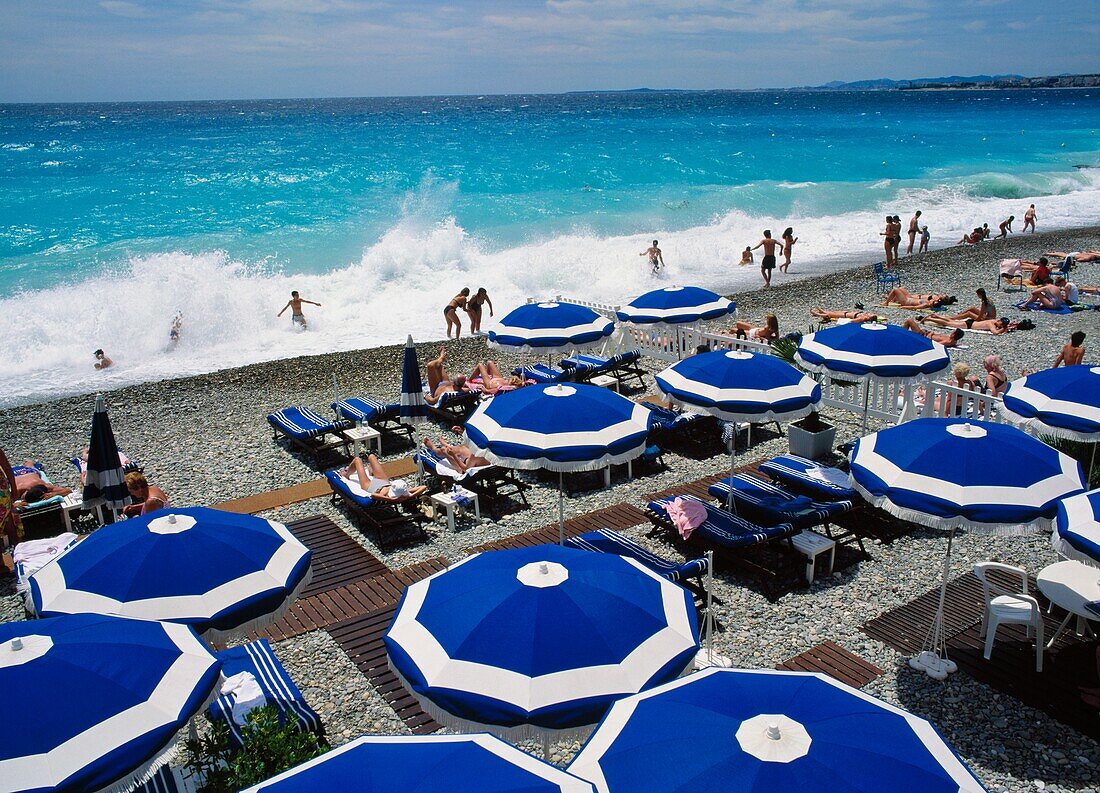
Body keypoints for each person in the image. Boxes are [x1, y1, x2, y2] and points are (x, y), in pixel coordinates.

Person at [337, 454, 426, 503]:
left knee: (357, 460)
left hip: (370, 486)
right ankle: (371, 471)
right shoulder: (404, 493)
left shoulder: (393, 496)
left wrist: (390, 499)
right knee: (371, 456)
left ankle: (346, 475)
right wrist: (411, 496)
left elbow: (373, 495)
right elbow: (423, 487)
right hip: (384, 482)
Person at [424, 437, 492, 474]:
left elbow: (464, 469)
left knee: (444, 450)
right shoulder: (488, 450)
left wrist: (453, 455)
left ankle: (434, 449)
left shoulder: (474, 455)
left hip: (461, 469)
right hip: (473, 461)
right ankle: (447, 445)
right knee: (462, 447)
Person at [919, 314, 1009, 335]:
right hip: (969, 325)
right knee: (948, 323)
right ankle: (930, 318)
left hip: (971, 322)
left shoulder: (994, 320)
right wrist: (1003, 329)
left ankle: (936, 316)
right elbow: (995, 333)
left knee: (950, 321)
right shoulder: (991, 324)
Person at [881, 286, 953, 309]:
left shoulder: (926, 304)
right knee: (901, 288)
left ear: (932, 304)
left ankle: (886, 303)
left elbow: (915, 308)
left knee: (895, 289)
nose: (932, 300)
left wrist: (904, 307)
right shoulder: (928, 302)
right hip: (909, 298)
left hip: (906, 301)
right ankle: (890, 299)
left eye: (933, 301)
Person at [810, 308, 880, 323]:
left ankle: (818, 314)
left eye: (871, 314)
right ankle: (822, 312)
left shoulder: (863, 318)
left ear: (870, 318)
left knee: (830, 314)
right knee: (833, 312)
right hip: (846, 313)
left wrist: (838, 320)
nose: (870, 313)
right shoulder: (864, 316)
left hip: (845, 315)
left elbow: (851, 321)